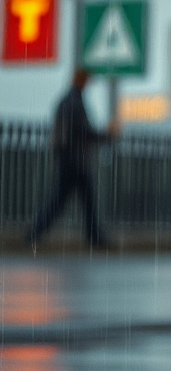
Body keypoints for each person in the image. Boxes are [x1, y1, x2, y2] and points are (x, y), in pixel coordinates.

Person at [27, 68, 117, 249]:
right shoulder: (75, 102)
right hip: (75, 160)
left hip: (70, 158)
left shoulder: (67, 100)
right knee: (67, 200)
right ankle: (34, 234)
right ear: (82, 80)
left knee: (73, 200)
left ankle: (36, 233)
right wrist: (107, 134)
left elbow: (71, 131)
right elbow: (83, 132)